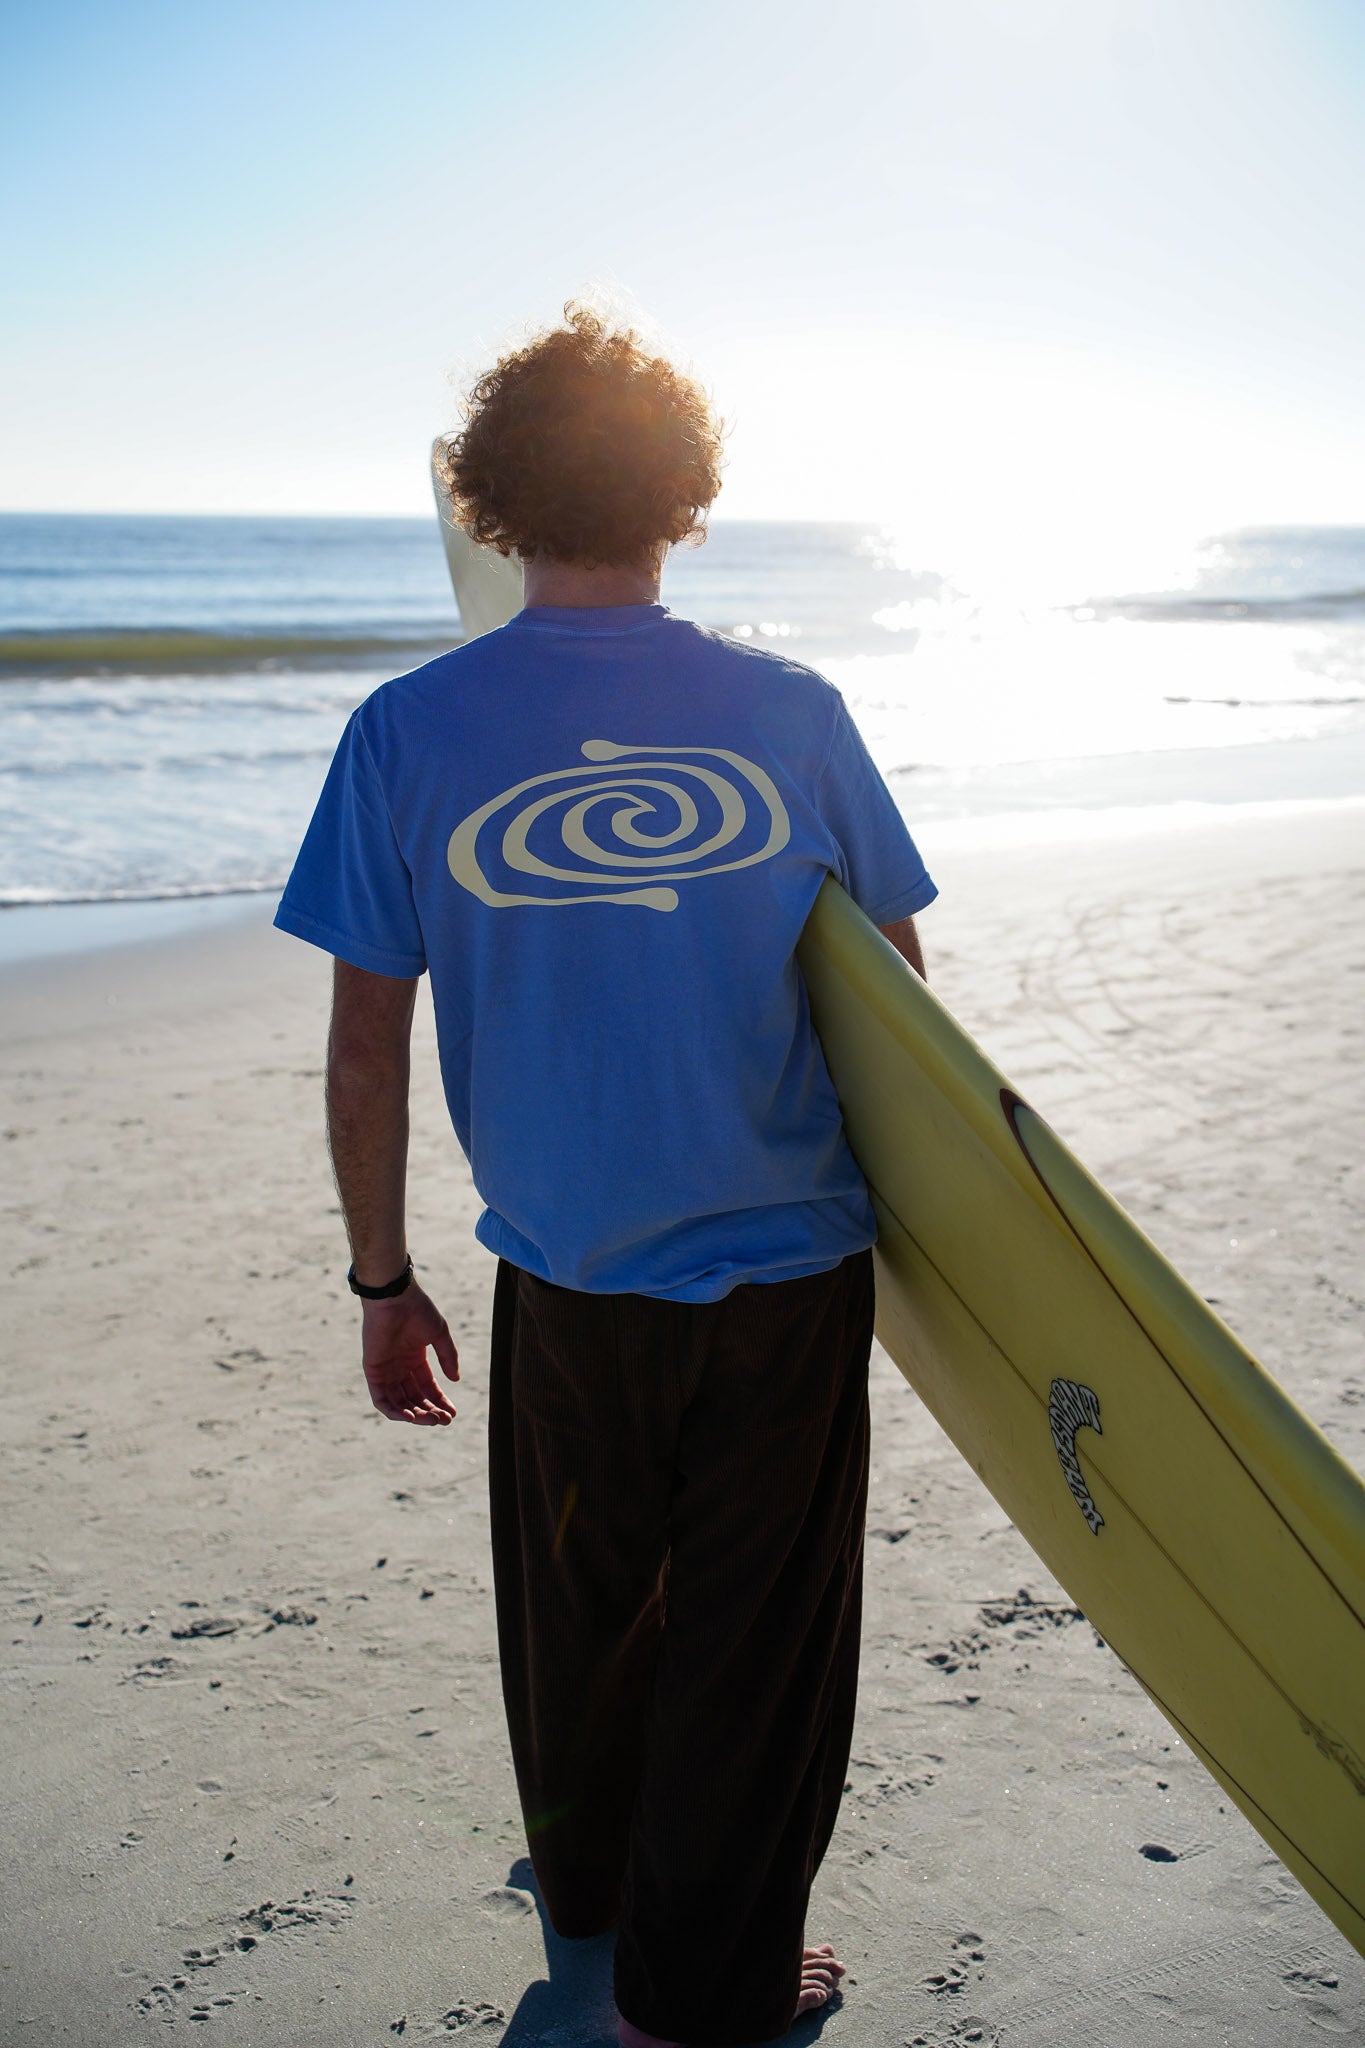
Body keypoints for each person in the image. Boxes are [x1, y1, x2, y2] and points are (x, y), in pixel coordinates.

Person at [274, 304, 936, 2048]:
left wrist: (378, 1278)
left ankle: (595, 1907)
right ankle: (688, 2004)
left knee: (578, 1607)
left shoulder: (406, 729)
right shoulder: (789, 712)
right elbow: (899, 1006)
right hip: (786, 1265)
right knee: (752, 1647)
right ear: (684, 496)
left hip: (563, 1269)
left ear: (491, 507)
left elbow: (363, 1044)